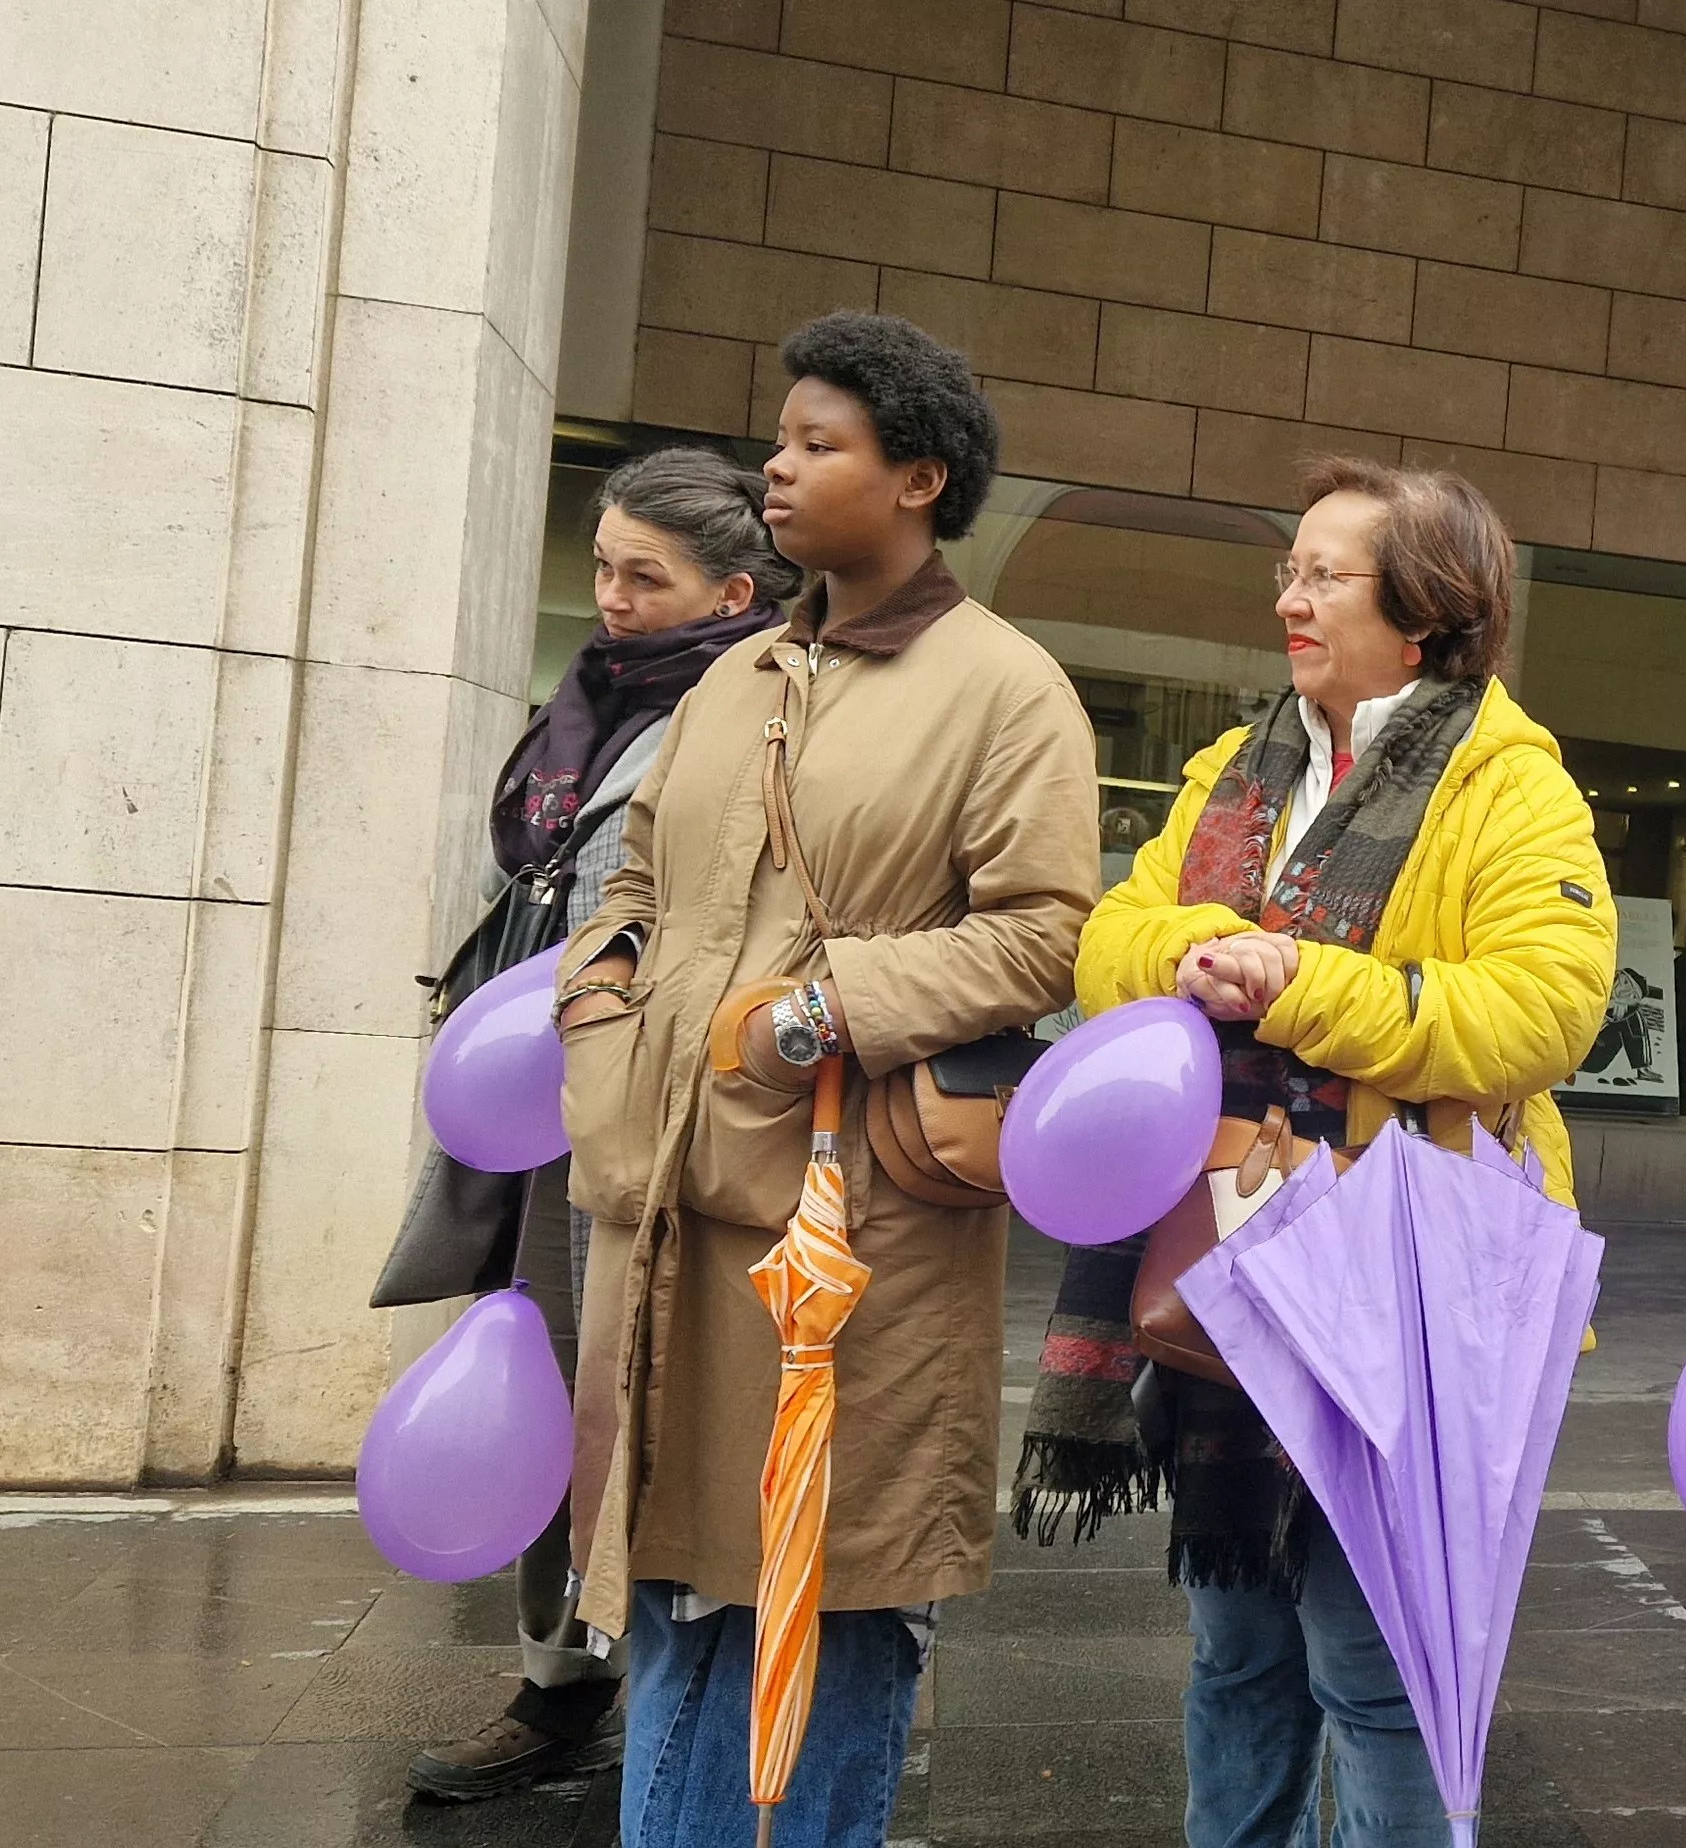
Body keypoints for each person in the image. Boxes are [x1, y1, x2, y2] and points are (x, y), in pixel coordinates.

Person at [555, 311, 1100, 1847]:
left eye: (818, 442)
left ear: (917, 478)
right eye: (779, 438)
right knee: (672, 1588)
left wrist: (815, 1014)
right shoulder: (738, 674)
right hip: (667, 1208)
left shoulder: (1004, 690)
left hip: (849, 1233)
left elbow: (1042, 933)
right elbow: (637, 876)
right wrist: (601, 1005)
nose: (776, 468)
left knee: (832, 1599)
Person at [1022, 456, 1614, 1848]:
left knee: (1377, 1671)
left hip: (1403, 1281)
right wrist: (1194, 951)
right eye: (1287, 571)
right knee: (1235, 1651)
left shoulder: (1511, 787)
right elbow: (1109, 945)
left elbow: (1544, 1012)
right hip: (1225, 1250)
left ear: (1425, 614)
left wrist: (1296, 983)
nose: (1287, 599)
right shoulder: (1237, 766)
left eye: (1324, 577)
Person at [400, 446, 792, 1802]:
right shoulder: (584, 702)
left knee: (639, 1395)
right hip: (536, 1094)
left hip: (659, 1101)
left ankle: (655, 1682)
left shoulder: (760, 712)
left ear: (731, 592)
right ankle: (556, 1678)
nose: (612, 600)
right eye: (603, 569)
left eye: (646, 578)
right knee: (541, 1374)